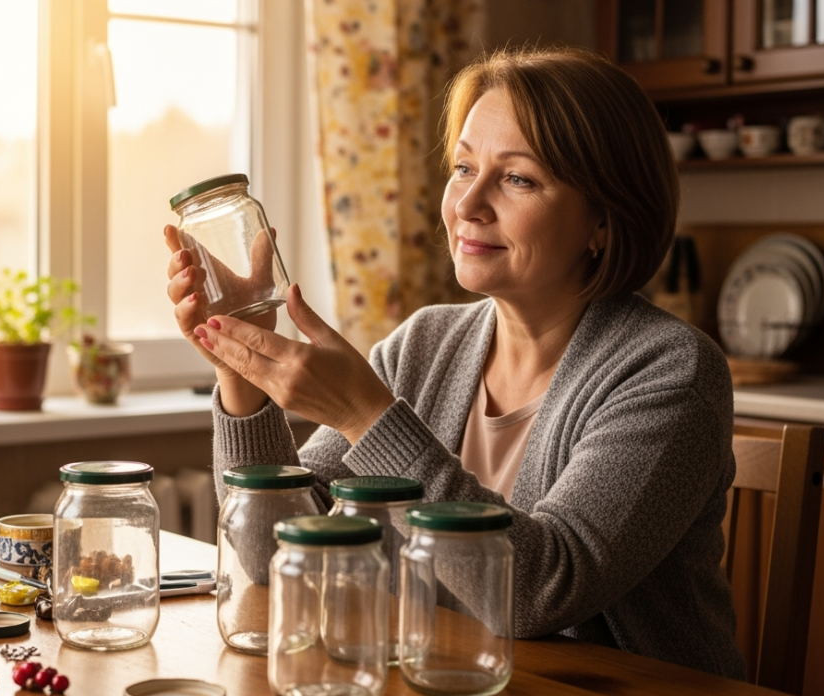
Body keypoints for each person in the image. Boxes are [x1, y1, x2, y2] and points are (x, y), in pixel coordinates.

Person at [163, 46, 745, 679]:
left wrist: (366, 415)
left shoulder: (671, 372)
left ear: (603, 219)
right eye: (464, 167)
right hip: (448, 676)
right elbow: (270, 550)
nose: (468, 204)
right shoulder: (425, 344)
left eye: (517, 178)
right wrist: (238, 360)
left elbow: (537, 592)